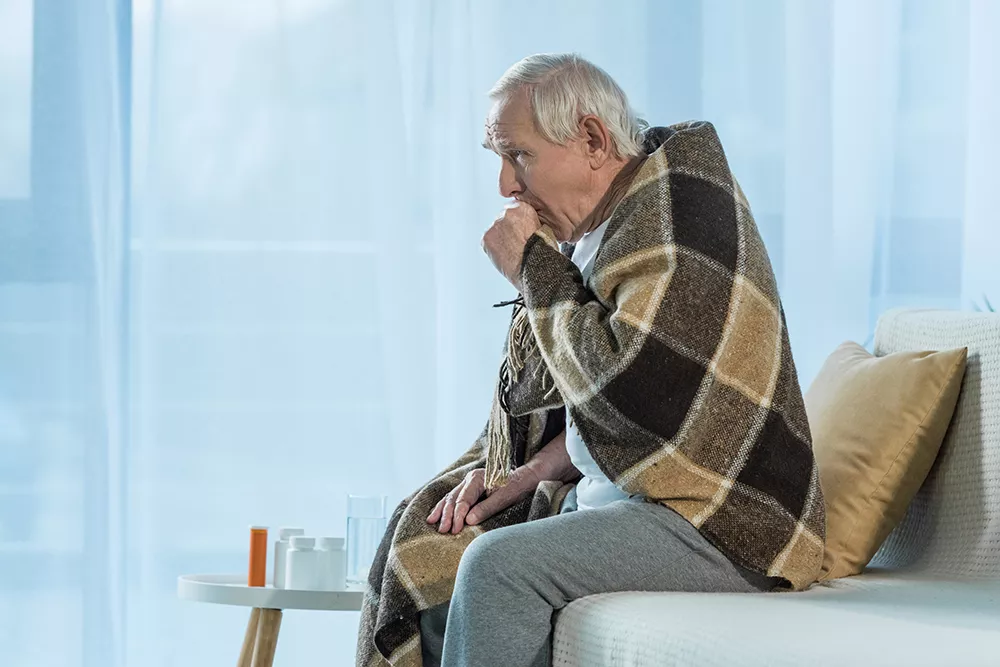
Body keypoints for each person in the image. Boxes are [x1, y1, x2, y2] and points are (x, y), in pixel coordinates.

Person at [356, 53, 825, 667]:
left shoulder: (682, 214)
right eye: (498, 157)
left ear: (593, 141)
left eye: (519, 155)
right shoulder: (610, 222)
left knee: (499, 568)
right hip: (643, 500)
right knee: (429, 559)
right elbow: (603, 408)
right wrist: (524, 471)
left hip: (725, 521)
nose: (505, 185)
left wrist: (532, 267)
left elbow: (631, 393)